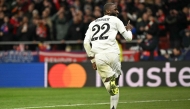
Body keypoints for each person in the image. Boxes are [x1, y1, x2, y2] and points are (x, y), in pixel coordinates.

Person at [83, 3, 132, 109]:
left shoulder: (93, 23)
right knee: (115, 82)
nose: (118, 11)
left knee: (111, 86)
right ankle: (113, 106)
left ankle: (113, 104)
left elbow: (86, 43)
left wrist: (92, 60)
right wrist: (128, 29)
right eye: (115, 9)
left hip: (99, 57)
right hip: (113, 54)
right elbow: (128, 38)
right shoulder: (116, 20)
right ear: (108, 11)